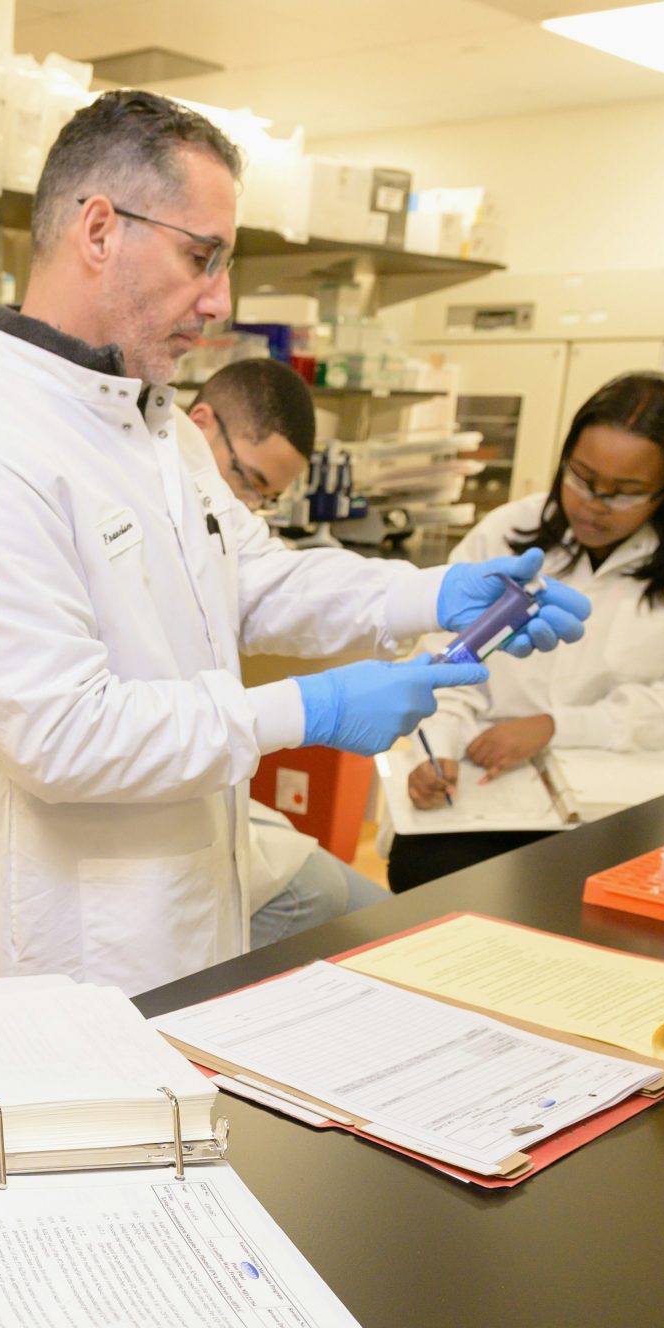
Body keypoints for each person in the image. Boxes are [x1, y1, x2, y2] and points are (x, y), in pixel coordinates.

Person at [0, 89, 590, 994]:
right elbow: (65, 735)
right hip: (55, 955)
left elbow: (257, 580)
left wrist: (436, 592)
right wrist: (307, 709)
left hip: (186, 916)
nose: (220, 299)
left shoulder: (158, 429)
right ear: (99, 230)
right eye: (201, 256)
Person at [391, 369, 664, 891]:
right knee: (423, 872)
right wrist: (439, 750)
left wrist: (554, 727)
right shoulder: (504, 534)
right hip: (493, 789)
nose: (593, 503)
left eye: (625, 492)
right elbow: (446, 662)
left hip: (628, 798)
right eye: (582, 477)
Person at [185, 358, 389, 946]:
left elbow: (283, 588)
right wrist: (309, 709)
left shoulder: (216, 518)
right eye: (249, 481)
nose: (249, 505)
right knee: (322, 898)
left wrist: (428, 597)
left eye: (266, 497)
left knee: (389, 916)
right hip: (161, 807)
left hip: (213, 795)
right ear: (201, 425)